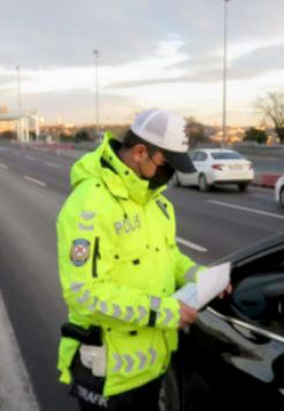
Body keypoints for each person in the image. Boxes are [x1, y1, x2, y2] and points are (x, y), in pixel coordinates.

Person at [56, 109, 225, 410]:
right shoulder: (90, 206)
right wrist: (166, 312)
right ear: (139, 152)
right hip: (109, 374)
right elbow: (84, 294)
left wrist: (200, 276)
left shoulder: (155, 202)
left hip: (151, 364)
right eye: (166, 164)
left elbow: (167, 255)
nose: (169, 174)